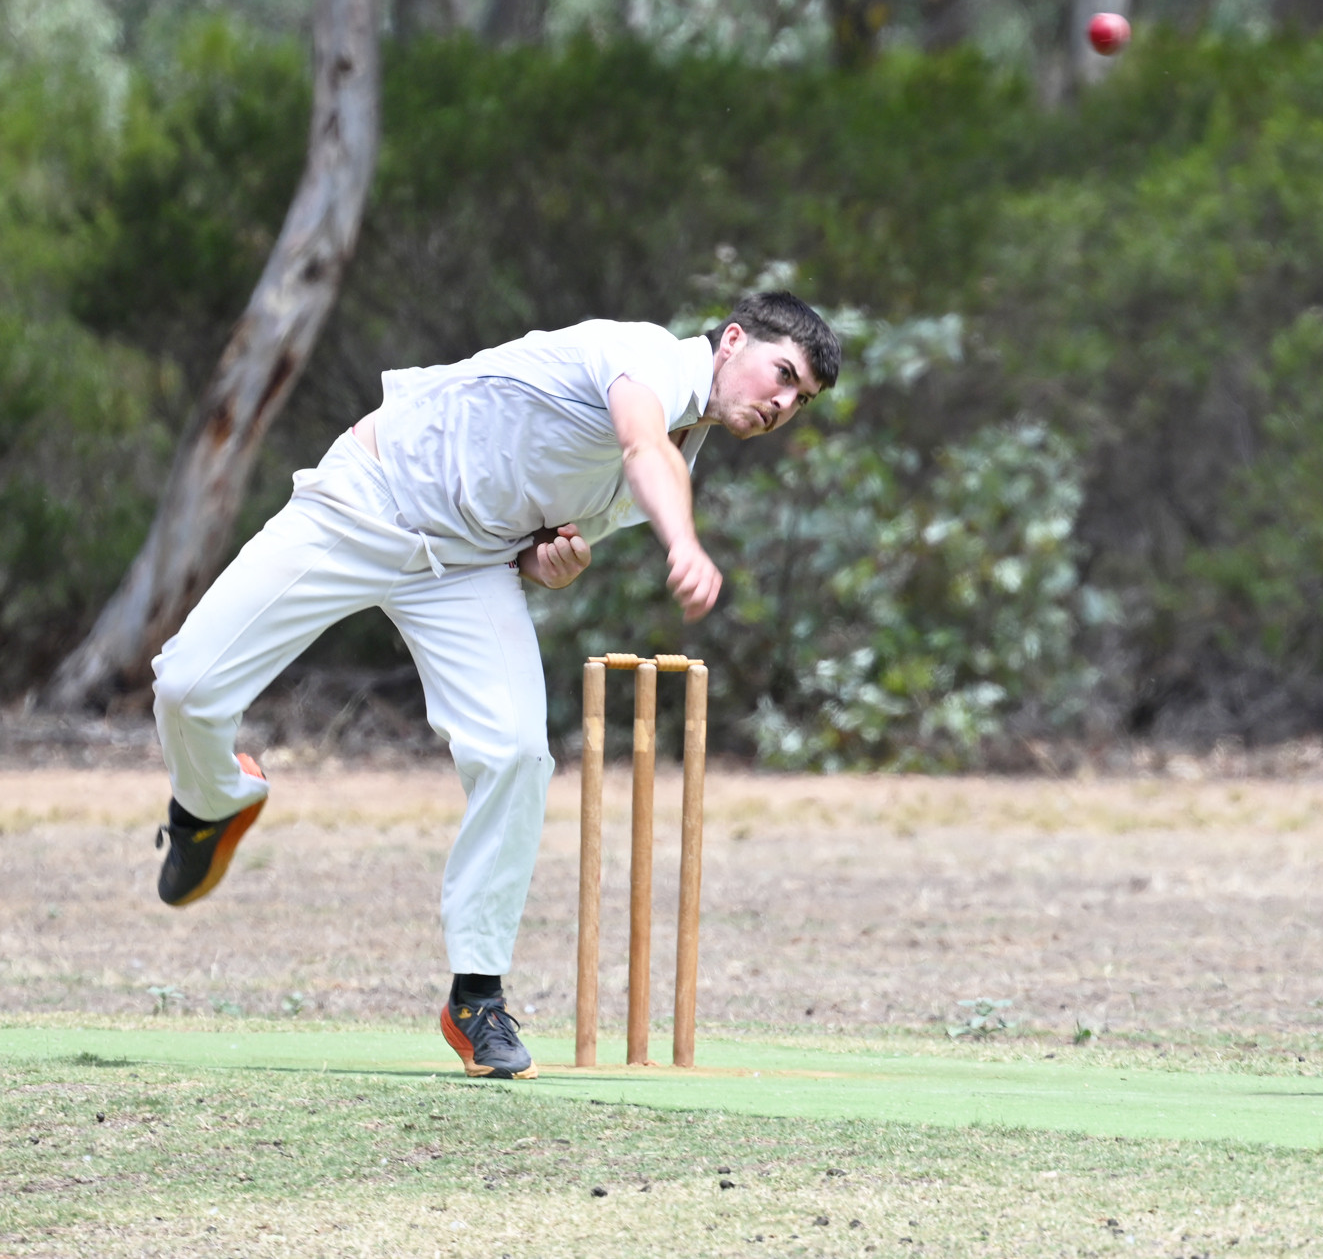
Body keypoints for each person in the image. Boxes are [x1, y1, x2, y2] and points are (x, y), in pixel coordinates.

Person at [149, 291, 839, 1079]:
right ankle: (212, 803)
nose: (784, 404)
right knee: (188, 686)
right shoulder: (644, 355)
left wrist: (551, 564)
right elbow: (640, 442)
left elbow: (538, 545)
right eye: (783, 374)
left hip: (464, 566)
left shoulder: (678, 461)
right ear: (734, 340)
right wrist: (683, 540)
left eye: (801, 400)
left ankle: (476, 994)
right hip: (368, 499)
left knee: (515, 752)